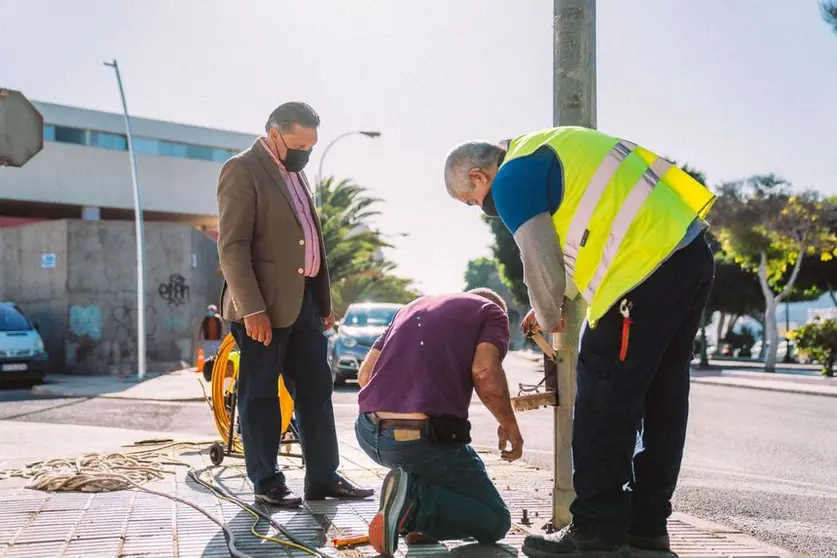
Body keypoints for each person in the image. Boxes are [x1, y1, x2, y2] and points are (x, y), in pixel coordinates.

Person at [444, 127, 716, 557]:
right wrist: (562, 297)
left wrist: (550, 318)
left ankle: (596, 529)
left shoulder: (512, 178)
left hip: (640, 270)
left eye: (471, 200)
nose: (480, 208)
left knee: (604, 398)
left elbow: (540, 264)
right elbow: (585, 237)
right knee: (664, 397)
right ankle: (647, 527)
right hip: (689, 252)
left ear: (479, 176)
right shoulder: (547, 145)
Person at [217, 101, 373, 508]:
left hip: (303, 304)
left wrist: (322, 301)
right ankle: (267, 482)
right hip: (262, 309)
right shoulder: (242, 169)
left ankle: (322, 477)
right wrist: (252, 309)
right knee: (261, 395)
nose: (306, 152)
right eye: (300, 143)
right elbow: (232, 245)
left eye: (312, 145)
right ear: (274, 134)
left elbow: (309, 239)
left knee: (317, 390)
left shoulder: (296, 174)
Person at [355, 288, 522, 557]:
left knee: (441, 460)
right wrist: (509, 424)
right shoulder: (492, 313)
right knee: (495, 521)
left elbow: (366, 375)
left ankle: (416, 519)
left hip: (369, 432)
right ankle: (412, 506)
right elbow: (484, 370)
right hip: (422, 440)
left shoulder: (409, 309)